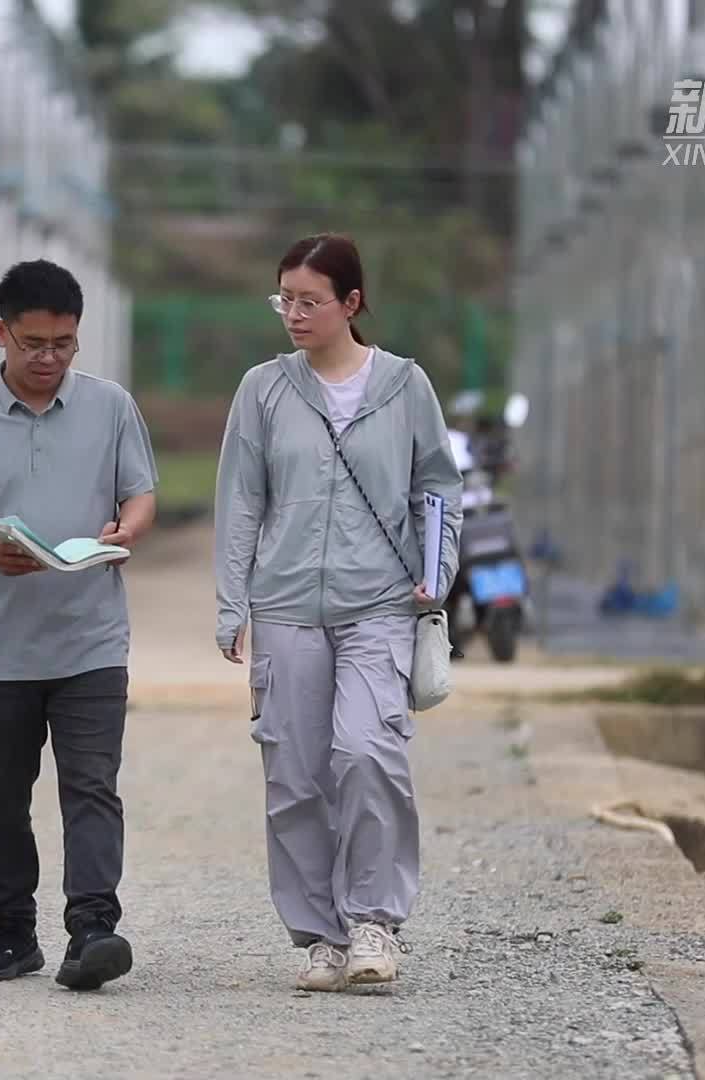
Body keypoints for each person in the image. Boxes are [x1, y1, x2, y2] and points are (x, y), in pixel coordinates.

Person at [211, 233, 462, 992]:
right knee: (293, 772)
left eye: (308, 300)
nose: (292, 313)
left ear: (351, 304)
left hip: (379, 603)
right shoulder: (263, 388)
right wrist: (232, 606)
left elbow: (437, 489)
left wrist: (436, 573)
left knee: (364, 752)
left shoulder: (406, 385)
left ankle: (374, 923)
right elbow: (240, 501)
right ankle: (319, 936)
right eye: (283, 298)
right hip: (285, 603)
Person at [0, 259, 158, 990]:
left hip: (91, 639)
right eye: (34, 344)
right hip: (1, 647)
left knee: (92, 787)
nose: (49, 359)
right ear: (2, 333)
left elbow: (140, 494)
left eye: (64, 345)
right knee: (2, 795)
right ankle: (11, 929)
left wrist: (126, 532)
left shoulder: (111, 407)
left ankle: (93, 929)